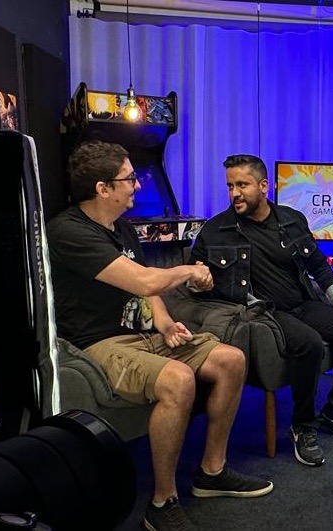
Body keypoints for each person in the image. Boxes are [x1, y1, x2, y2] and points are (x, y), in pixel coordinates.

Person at [47, 141, 272, 531]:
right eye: (129, 178)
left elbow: (146, 292)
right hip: (98, 345)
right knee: (178, 379)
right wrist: (189, 270)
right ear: (102, 188)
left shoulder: (121, 227)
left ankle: (212, 471)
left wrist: (166, 324)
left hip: (143, 335)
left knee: (231, 360)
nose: (137, 184)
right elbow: (145, 280)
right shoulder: (69, 231)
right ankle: (162, 502)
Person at [190, 154, 333, 467]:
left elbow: (317, 264)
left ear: (264, 186)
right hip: (264, 313)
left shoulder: (291, 220)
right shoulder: (216, 230)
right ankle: (302, 426)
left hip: (303, 302)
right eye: (230, 186)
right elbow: (194, 279)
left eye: (242, 185)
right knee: (309, 343)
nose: (235, 193)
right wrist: (198, 281)